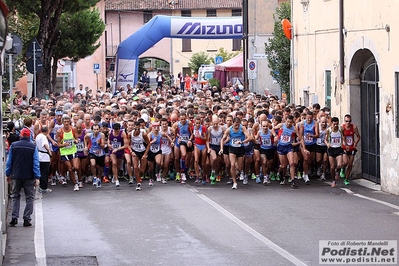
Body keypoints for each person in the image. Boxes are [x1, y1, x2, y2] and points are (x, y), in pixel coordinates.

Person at [6, 128, 41, 227]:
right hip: (29, 175)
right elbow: (35, 163)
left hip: (16, 174)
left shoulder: (14, 146)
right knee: (29, 197)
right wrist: (37, 177)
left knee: (15, 196)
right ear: (29, 136)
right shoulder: (33, 147)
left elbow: (9, 162)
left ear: (21, 135)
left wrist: (8, 174)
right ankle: (26, 218)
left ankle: (14, 217)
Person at [341, 114, 361, 185]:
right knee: (345, 162)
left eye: (349, 121)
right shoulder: (342, 128)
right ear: (344, 121)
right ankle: (343, 169)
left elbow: (358, 137)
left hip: (352, 147)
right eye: (346, 121)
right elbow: (341, 137)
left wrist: (355, 142)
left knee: (350, 164)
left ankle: (346, 179)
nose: (348, 123)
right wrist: (345, 144)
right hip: (344, 147)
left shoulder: (354, 127)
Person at [35, 126, 52, 193]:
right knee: (45, 172)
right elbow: (45, 144)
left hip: (39, 155)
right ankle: (43, 187)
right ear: (47, 131)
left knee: (41, 172)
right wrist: (49, 151)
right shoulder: (44, 137)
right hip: (44, 157)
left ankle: (41, 186)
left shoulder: (38, 136)